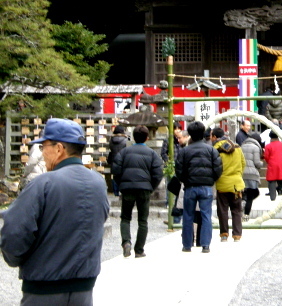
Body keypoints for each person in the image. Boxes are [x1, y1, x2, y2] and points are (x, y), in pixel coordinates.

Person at [1, 118, 109, 305]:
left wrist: (15, 258)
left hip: (43, 287)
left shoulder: (43, 183)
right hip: (84, 287)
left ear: (59, 148)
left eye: (44, 147)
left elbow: (14, 231)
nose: (42, 153)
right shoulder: (98, 183)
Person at [112, 125, 163, 258]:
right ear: (147, 138)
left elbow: (116, 170)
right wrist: (151, 186)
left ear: (133, 137)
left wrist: (121, 184)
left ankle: (126, 242)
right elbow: (158, 173)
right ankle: (139, 249)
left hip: (127, 188)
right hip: (144, 188)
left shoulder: (124, 152)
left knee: (125, 218)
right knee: (142, 220)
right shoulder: (152, 154)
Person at [176, 121, 222, 253]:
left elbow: (179, 170)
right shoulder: (211, 150)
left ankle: (187, 244)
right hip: (206, 186)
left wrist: (185, 180)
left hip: (190, 186)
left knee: (188, 215)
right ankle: (205, 244)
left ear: (190, 134)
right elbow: (218, 169)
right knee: (206, 215)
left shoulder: (185, 151)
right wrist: (211, 180)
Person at [211, 127, 246, 242]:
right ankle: (237, 235)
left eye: (212, 136)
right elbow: (243, 163)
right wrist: (238, 174)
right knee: (236, 210)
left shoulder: (215, 149)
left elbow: (214, 167)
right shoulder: (237, 147)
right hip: (236, 184)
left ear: (215, 137)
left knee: (222, 210)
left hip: (222, 183)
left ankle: (224, 234)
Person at [240, 132, 263, 221]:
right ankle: (246, 215)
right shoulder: (256, 148)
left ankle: (243, 202)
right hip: (252, 175)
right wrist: (262, 164)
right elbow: (257, 163)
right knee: (252, 194)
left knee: (245, 193)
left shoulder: (241, 147)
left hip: (242, 174)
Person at [263, 130, 282, 200]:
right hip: (281, 164)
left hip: (272, 165)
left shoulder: (268, 146)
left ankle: (273, 197)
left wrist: (269, 162)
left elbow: (266, 157)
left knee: (272, 181)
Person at [107, 124, 128, 197]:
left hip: (113, 159)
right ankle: (122, 191)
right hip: (123, 160)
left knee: (114, 177)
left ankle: (116, 192)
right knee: (123, 176)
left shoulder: (111, 140)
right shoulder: (126, 140)